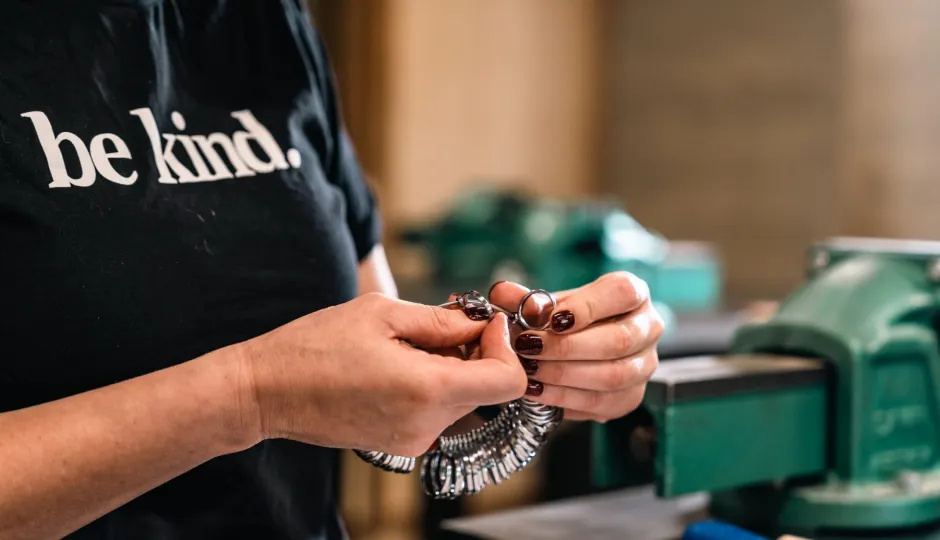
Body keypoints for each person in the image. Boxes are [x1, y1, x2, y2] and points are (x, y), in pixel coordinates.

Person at [0, 2, 664, 539]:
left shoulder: (265, 27)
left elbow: (394, 371)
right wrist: (250, 396)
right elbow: (279, 386)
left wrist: (540, 365)